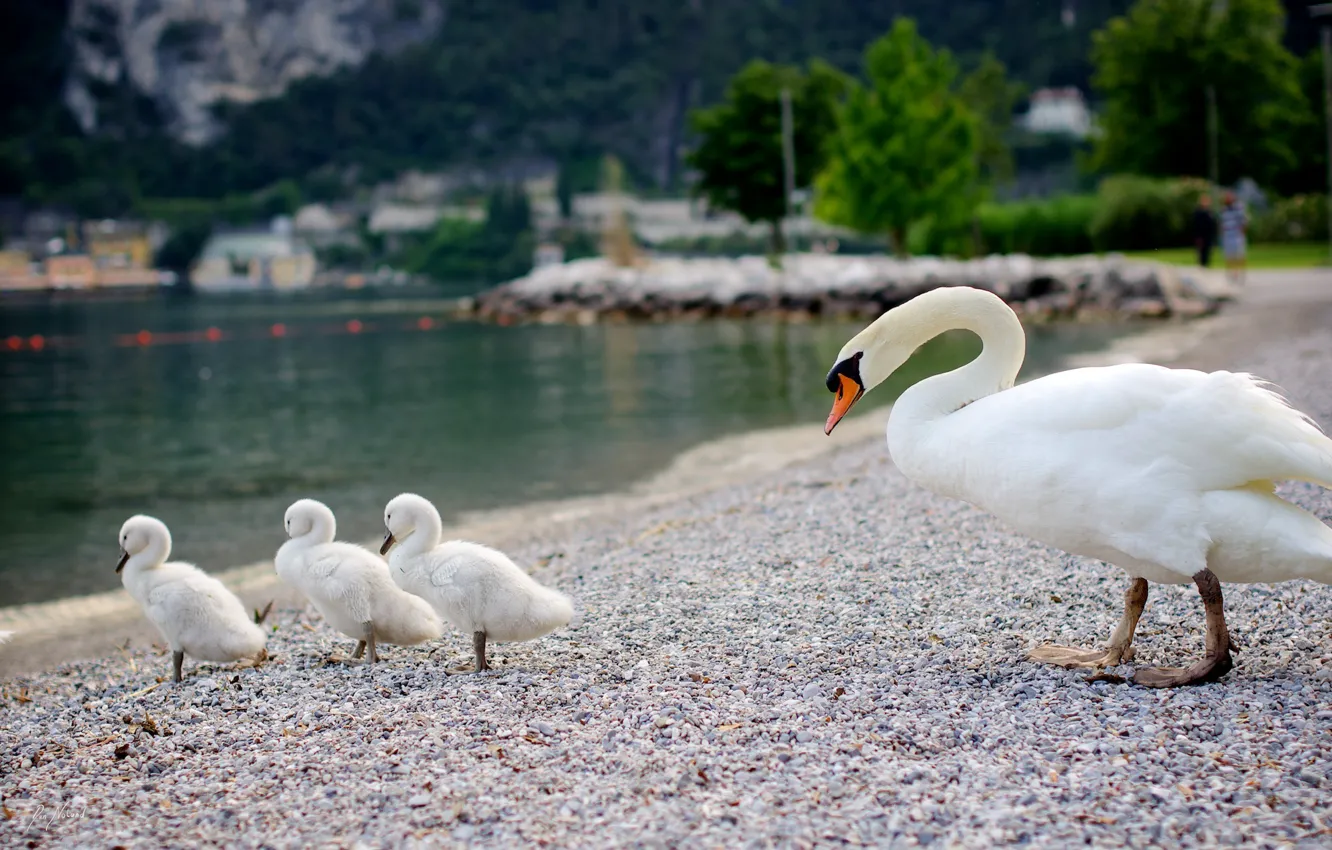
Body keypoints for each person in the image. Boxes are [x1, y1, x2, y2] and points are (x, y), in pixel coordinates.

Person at [1219, 190, 1248, 285]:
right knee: (1229, 256)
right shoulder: (1224, 209)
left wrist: (1241, 234)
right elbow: (1222, 223)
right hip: (1227, 236)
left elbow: (1244, 222)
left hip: (1236, 236)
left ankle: (1239, 273)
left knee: (1239, 256)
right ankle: (1231, 273)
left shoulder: (1238, 207)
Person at [1191, 193, 1217, 267]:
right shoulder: (1198, 212)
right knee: (1201, 253)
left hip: (1209, 236)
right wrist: (1197, 236)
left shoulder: (1210, 212)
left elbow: (1213, 225)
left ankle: (1206, 266)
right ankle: (1201, 266)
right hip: (1201, 236)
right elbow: (1196, 225)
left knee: (1208, 252)